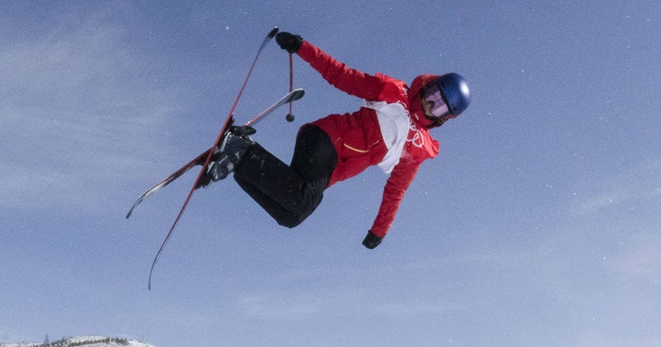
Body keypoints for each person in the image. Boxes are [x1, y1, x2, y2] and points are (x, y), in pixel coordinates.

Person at [200, 30, 470, 250]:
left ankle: (236, 163)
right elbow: (342, 76)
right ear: (428, 85)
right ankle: (241, 151)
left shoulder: (418, 148)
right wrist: (302, 47)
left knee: (291, 216)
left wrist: (379, 230)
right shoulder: (393, 93)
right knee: (302, 201)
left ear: (444, 118)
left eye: (439, 107)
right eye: (432, 95)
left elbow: (395, 191)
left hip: (330, 170)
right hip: (325, 139)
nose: (429, 104)